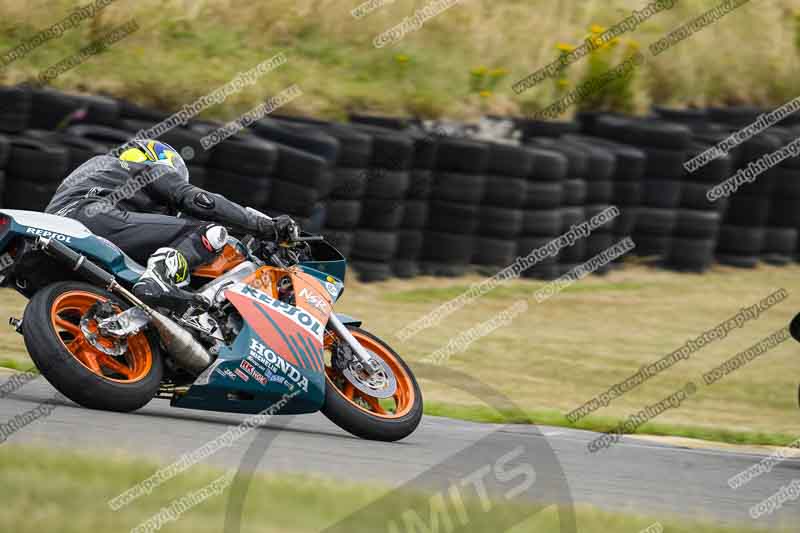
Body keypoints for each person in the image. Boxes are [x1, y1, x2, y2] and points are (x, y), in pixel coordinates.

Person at [45, 139, 293, 313]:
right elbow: (200, 201)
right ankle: (158, 280)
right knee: (208, 230)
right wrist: (264, 226)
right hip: (97, 221)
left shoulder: (94, 173)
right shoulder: (149, 169)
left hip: (55, 235)